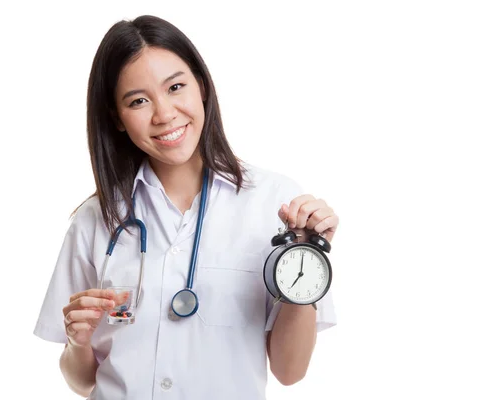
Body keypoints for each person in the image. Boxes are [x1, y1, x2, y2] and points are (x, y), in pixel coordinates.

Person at [33, 14, 339, 400]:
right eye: (139, 101)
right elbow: (83, 381)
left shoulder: (274, 203)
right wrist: (78, 343)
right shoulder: (96, 219)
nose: (164, 114)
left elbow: (289, 372)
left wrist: (305, 256)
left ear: (203, 88)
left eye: (175, 87)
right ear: (118, 118)